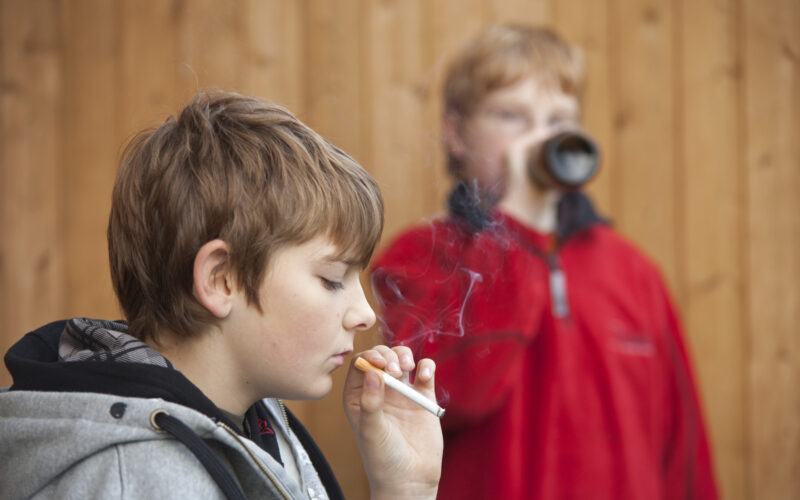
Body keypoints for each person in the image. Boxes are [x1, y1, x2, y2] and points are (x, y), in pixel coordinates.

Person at [0, 90, 442, 500]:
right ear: (221, 280)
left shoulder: (263, 425)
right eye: (331, 279)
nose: (364, 314)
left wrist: (404, 488)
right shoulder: (139, 480)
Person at [370, 24, 718, 500]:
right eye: (512, 116)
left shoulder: (634, 272)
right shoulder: (418, 259)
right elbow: (455, 396)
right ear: (455, 132)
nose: (538, 138)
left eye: (558, 120)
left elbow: (684, 452)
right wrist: (516, 226)